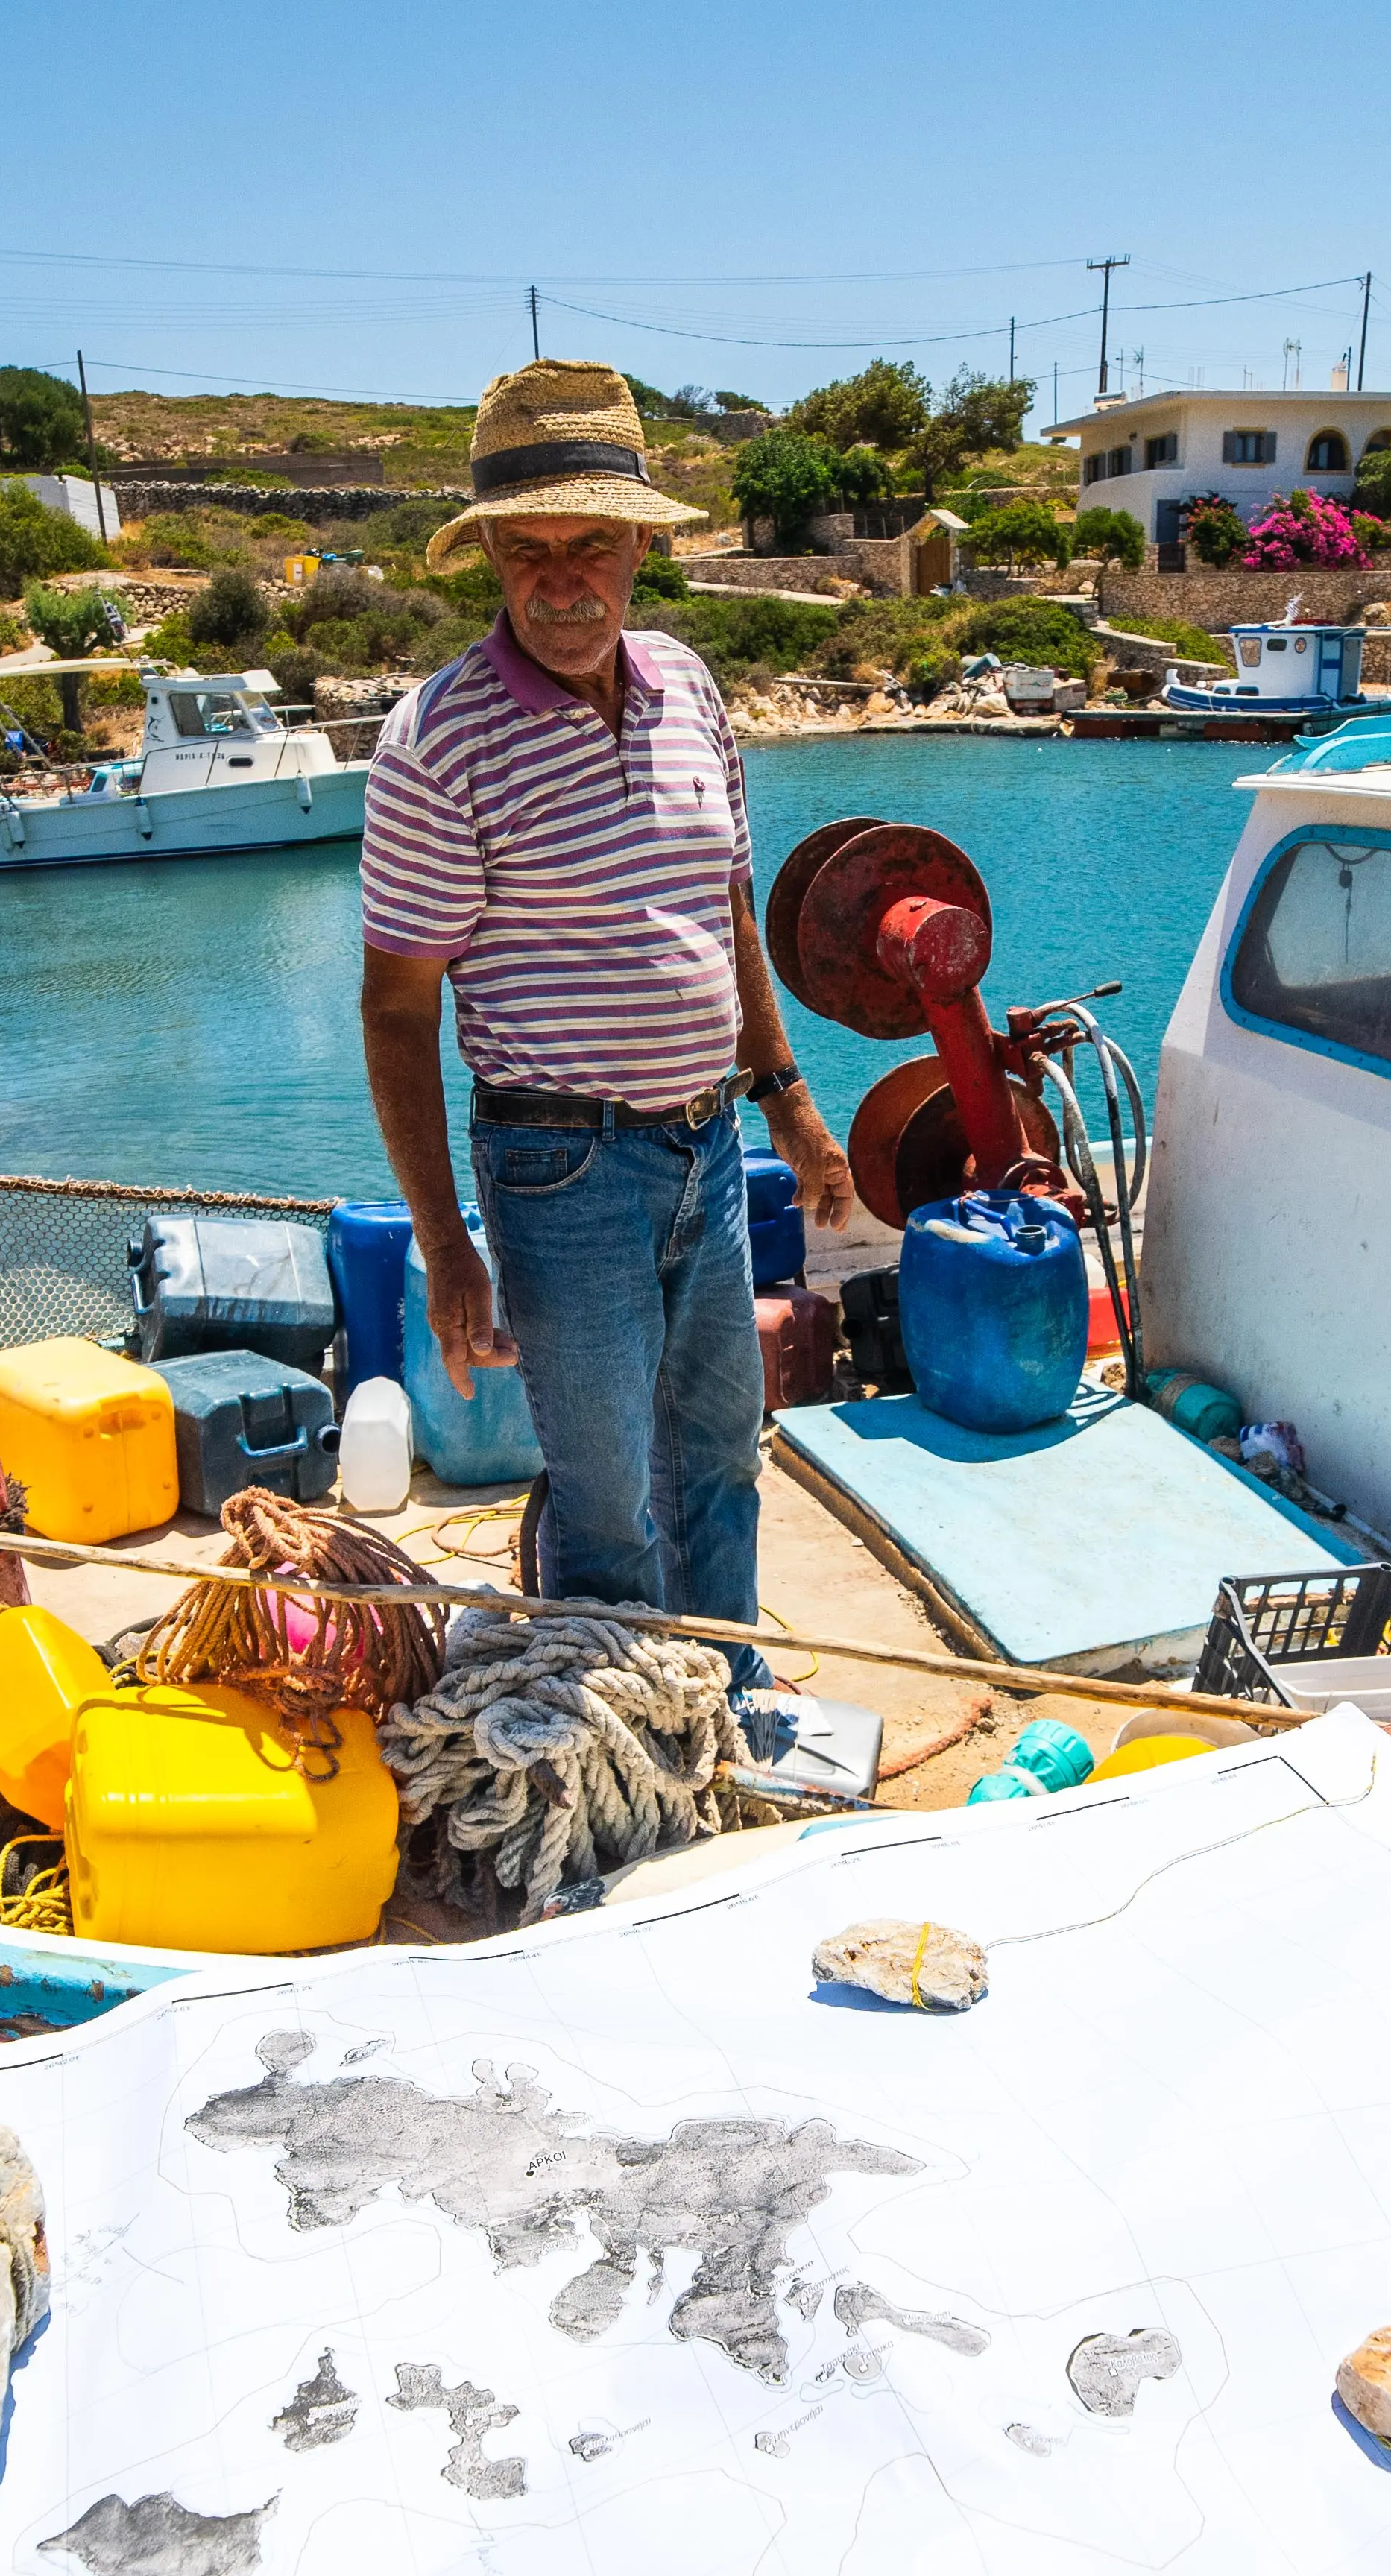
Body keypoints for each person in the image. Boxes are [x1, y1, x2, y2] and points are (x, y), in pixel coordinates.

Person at [357, 359, 856, 1644]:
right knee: (608, 1499)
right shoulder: (436, 741)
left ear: (642, 547)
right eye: (527, 548)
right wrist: (451, 1249)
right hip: (558, 1169)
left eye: (590, 542)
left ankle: (724, 1696)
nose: (561, 577)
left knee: (722, 1457)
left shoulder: (689, 687)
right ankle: (609, 1737)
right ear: (490, 561)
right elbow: (399, 1014)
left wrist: (788, 1104)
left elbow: (729, 908)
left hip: (711, 1146)